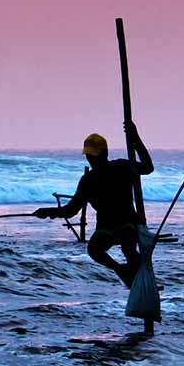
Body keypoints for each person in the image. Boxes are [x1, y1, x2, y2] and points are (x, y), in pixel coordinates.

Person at [35, 122, 154, 286]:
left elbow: (148, 167)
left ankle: (142, 280)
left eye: (94, 155)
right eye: (89, 156)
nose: (91, 159)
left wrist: (136, 139)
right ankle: (121, 271)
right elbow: (71, 210)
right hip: (105, 228)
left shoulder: (122, 166)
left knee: (129, 249)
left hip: (128, 224)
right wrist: (48, 211)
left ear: (104, 153)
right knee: (94, 249)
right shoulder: (88, 180)